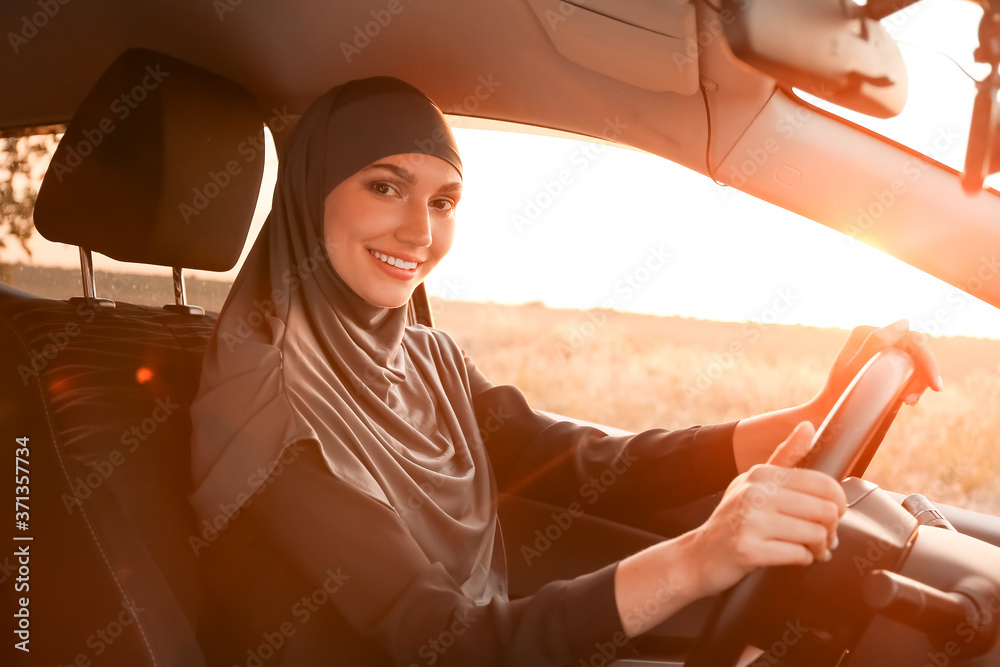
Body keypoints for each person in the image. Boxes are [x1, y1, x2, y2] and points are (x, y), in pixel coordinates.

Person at [188, 76, 942, 666]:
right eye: (384, 186)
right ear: (309, 196)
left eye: (444, 200)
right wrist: (700, 557)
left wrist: (812, 411)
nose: (420, 231)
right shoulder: (271, 413)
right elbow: (449, 645)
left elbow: (584, 464)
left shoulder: (425, 356)